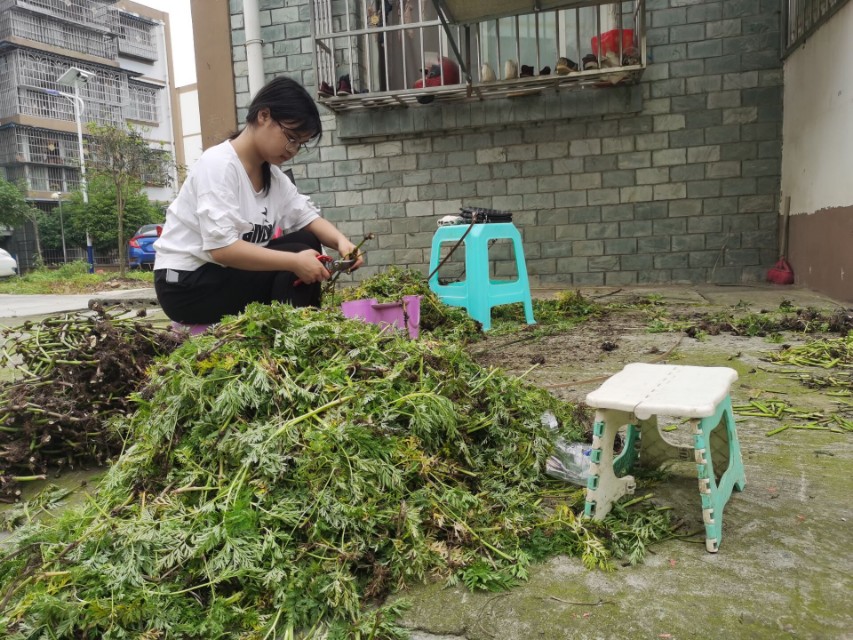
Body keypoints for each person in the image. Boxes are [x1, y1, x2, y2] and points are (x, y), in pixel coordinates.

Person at [153, 76, 363, 325]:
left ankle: (299, 328)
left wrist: (342, 242)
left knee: (307, 241)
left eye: (300, 144)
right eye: (291, 137)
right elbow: (222, 250)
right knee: (296, 255)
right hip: (185, 285)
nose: (293, 150)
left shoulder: (272, 176)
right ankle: (294, 334)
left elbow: (307, 217)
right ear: (263, 115)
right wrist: (295, 262)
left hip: (222, 275)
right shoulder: (218, 165)